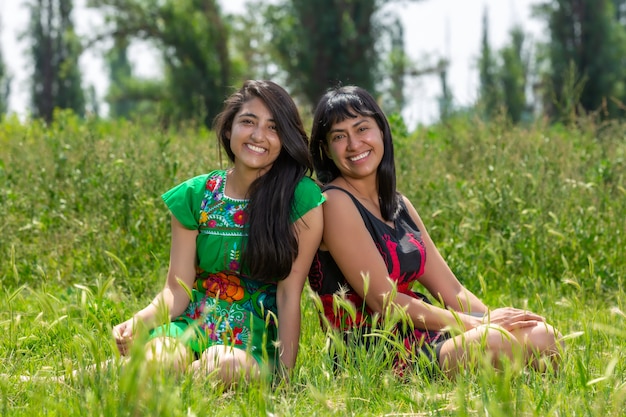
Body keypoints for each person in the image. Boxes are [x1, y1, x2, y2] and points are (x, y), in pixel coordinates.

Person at [307, 85, 562, 377]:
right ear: (326, 149)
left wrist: (498, 317)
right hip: (375, 353)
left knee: (543, 335)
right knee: (499, 340)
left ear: (381, 132)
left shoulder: (399, 204)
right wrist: (481, 326)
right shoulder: (335, 202)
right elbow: (384, 301)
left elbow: (452, 290)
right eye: (339, 136)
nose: (354, 144)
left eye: (362, 128)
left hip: (424, 334)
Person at [113, 80, 324, 385]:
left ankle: (142, 379)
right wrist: (139, 320)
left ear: (284, 138)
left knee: (218, 364)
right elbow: (177, 289)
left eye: (273, 127)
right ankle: (88, 378)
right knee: (158, 359)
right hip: (193, 322)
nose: (258, 135)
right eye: (248, 122)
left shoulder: (299, 199)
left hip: (255, 337)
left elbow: (289, 293)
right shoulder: (195, 195)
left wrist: (285, 374)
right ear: (229, 130)